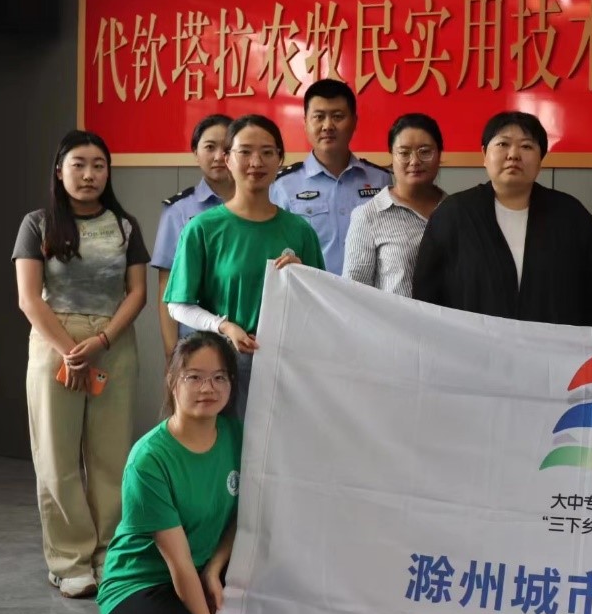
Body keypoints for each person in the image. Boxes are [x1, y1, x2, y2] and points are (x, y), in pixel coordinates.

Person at [13, 130, 149, 599]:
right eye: (78, 164)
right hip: (55, 338)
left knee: (112, 456)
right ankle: (69, 560)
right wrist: (70, 350)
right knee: (57, 456)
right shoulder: (37, 224)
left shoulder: (125, 226)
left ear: (108, 172)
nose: (89, 174)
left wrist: (101, 341)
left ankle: (110, 555)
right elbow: (29, 298)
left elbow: (137, 293)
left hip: (113, 341)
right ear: (59, 170)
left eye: (98, 165)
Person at [98, 332, 242, 614]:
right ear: (172, 380)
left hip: (199, 567)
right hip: (141, 583)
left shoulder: (235, 436)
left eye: (219, 377)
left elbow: (244, 516)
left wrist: (215, 567)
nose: (208, 388)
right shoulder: (149, 458)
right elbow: (177, 563)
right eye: (194, 377)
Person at [164, 115, 324, 419]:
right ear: (227, 159)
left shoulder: (300, 231)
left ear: (280, 159)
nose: (256, 162)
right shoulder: (203, 228)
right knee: (226, 444)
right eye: (245, 152)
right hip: (223, 365)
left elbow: (320, 308)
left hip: (286, 367)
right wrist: (224, 326)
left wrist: (304, 278)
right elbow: (178, 305)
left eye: (267, 152)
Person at [413, 111, 592, 325]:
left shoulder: (571, 216)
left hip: (552, 345)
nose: (514, 154)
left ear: (541, 159)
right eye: (503, 144)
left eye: (526, 146)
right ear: (484, 154)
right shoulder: (453, 214)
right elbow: (426, 296)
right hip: (471, 345)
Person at [271, 79, 391, 274]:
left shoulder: (381, 180)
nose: (328, 126)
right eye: (319, 117)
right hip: (312, 290)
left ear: (354, 122)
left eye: (337, 116)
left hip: (367, 291)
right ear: (305, 123)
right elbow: (275, 250)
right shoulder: (283, 185)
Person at [152, 114, 235, 361]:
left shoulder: (262, 204)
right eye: (210, 147)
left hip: (249, 338)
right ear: (195, 153)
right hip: (195, 340)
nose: (219, 156)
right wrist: (171, 353)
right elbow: (167, 286)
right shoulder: (179, 209)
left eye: (226, 148)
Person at [343, 113, 447, 297]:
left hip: (450, 316)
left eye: (425, 151)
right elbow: (353, 293)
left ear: (439, 155)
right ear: (392, 156)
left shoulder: (457, 211)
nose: (414, 161)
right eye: (404, 153)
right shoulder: (368, 216)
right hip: (391, 317)